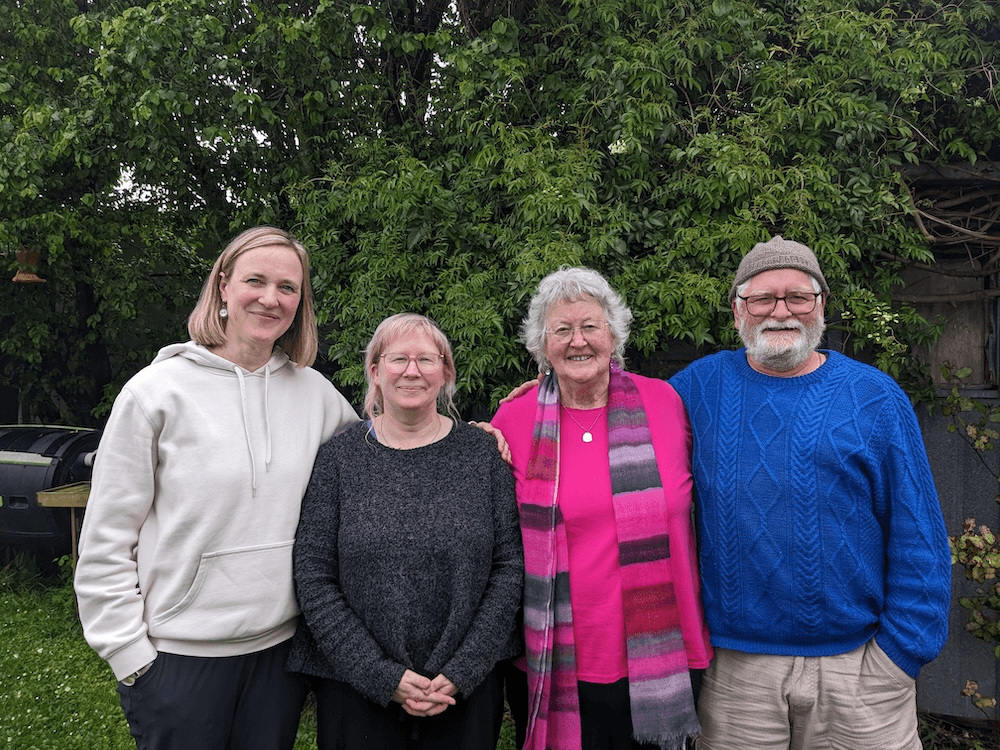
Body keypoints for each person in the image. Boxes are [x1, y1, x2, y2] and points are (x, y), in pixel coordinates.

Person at [74, 226, 359, 750]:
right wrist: (130, 656)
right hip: (179, 658)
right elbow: (106, 538)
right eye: (256, 281)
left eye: (288, 287)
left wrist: (472, 439)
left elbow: (384, 456)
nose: (271, 298)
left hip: (280, 658)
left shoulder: (317, 395)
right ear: (223, 286)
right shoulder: (155, 393)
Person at [667, 235, 952, 749]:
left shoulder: (875, 398)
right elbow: (612, 410)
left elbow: (920, 537)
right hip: (735, 674)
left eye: (798, 296)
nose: (781, 311)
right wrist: (544, 395)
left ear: (821, 305)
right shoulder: (696, 389)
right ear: (738, 309)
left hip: (860, 670)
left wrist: (901, 656)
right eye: (763, 298)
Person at [492, 268, 712, 750]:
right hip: (558, 660)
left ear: (613, 335)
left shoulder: (666, 402)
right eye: (562, 329)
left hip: (664, 653)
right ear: (542, 344)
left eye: (590, 326)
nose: (578, 341)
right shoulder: (513, 419)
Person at [286, 312, 524, 750]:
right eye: (398, 359)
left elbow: (508, 568)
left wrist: (464, 668)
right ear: (376, 372)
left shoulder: (482, 455)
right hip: (355, 689)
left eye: (426, 359)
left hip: (463, 691)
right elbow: (314, 576)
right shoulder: (338, 459)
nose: (412, 371)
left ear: (445, 372)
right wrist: (378, 673)